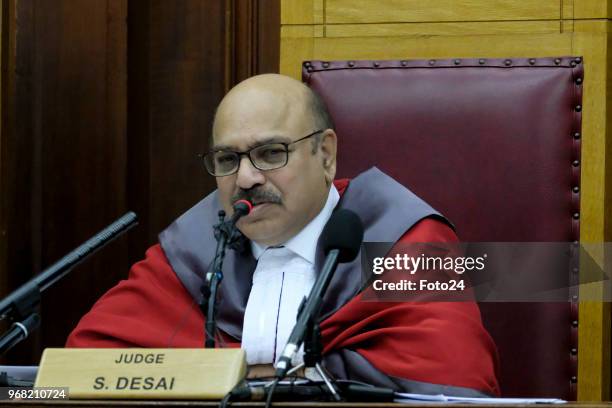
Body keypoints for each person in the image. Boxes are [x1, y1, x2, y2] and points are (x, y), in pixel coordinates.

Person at [67, 74, 500, 397]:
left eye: (271, 153)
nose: (247, 178)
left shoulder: (406, 241)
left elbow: (455, 380)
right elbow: (84, 368)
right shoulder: (193, 255)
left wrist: (245, 377)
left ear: (325, 154)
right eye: (227, 159)